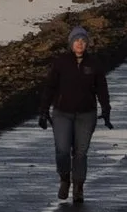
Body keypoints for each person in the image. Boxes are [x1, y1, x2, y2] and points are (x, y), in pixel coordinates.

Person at [38, 20, 112, 202]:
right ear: (71, 43)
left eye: (83, 40)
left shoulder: (94, 64)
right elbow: (50, 87)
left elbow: (102, 88)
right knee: (62, 150)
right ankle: (64, 179)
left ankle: (78, 186)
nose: (79, 43)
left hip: (86, 115)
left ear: (87, 44)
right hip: (62, 113)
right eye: (76, 40)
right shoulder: (60, 63)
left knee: (80, 152)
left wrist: (106, 109)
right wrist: (43, 111)